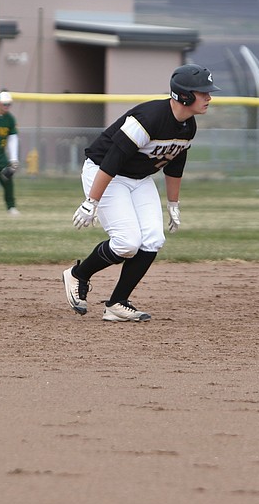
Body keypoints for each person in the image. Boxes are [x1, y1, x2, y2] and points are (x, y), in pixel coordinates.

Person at [62, 64, 221, 322]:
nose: (209, 98)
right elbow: (112, 159)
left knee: (153, 240)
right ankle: (78, 275)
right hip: (105, 173)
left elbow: (175, 163)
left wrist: (173, 204)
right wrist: (92, 200)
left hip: (138, 178)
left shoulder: (188, 126)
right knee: (126, 242)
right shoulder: (148, 118)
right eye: (203, 93)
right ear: (185, 95)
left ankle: (116, 304)